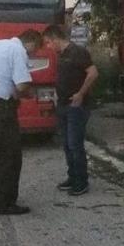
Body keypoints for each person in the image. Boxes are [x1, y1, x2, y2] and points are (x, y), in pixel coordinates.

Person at [0, 30, 43, 215]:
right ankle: (6, 203)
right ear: (31, 43)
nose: (33, 54)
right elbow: (21, 85)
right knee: (10, 155)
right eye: (34, 50)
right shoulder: (18, 51)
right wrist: (31, 94)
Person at [44, 25, 98, 196]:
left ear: (55, 39)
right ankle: (72, 176)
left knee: (75, 144)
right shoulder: (61, 55)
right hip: (62, 104)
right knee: (67, 144)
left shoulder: (77, 52)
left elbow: (93, 73)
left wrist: (80, 94)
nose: (48, 47)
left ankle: (81, 181)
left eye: (48, 43)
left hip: (76, 105)